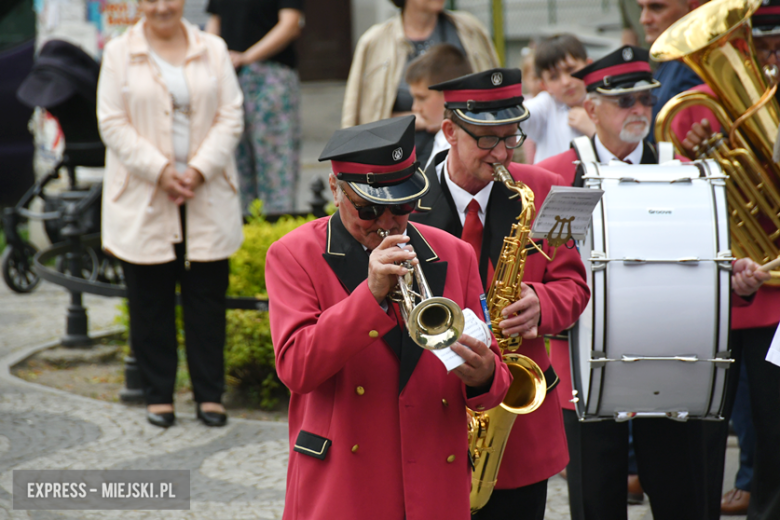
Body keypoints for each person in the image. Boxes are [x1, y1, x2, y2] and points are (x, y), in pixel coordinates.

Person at [536, 45, 770, 520]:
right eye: (625, 102)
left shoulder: (686, 173)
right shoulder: (559, 177)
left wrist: (737, 283)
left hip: (675, 355)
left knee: (683, 494)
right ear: (591, 109)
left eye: (645, 99)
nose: (639, 110)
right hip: (585, 364)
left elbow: (705, 270)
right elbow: (541, 268)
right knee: (596, 498)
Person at [265, 115, 512, 520]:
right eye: (369, 209)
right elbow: (296, 368)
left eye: (402, 206)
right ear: (335, 189)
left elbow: (496, 381)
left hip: (434, 480)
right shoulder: (294, 255)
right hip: (345, 483)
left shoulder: (454, 253)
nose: (387, 222)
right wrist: (369, 296)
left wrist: (485, 375)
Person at [410, 68, 591, 520]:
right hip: (433, 412)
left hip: (518, 424)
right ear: (449, 131)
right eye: (487, 140)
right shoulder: (407, 202)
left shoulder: (547, 190)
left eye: (512, 138)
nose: (503, 154)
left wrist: (541, 303)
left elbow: (575, 286)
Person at [97, 0, 244, 428]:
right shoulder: (118, 52)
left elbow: (231, 115)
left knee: (206, 300)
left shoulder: (213, 48)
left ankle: (209, 395)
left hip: (207, 189)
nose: (162, 7)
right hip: (144, 192)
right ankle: (158, 393)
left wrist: (198, 169)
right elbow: (111, 122)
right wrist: (159, 170)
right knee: (149, 299)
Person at [672, 4, 780, 517]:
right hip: (713, 294)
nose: (768, 57)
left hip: (776, 299)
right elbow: (678, 205)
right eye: (761, 47)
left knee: (776, 421)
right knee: (701, 426)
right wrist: (698, 161)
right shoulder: (695, 108)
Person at [205, 0, 303, 215]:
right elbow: (215, 23)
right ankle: (245, 229)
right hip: (228, 75)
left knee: (276, 166)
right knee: (234, 163)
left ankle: (278, 231)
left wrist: (247, 57)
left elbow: (290, 24)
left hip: (272, 76)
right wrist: (214, 60)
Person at [341, 0, 498, 131]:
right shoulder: (374, 41)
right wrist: (413, 120)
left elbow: (500, 95)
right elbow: (354, 113)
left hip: (465, 155)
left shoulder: (470, 29)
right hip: (398, 158)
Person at [519, 33, 595, 163]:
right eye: (554, 77)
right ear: (544, 85)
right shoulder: (546, 106)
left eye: (570, 70)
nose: (565, 81)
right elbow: (519, 115)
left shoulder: (607, 101)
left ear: (589, 65)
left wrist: (594, 131)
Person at [635, 0, 703, 144]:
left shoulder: (691, 67)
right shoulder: (671, 61)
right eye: (641, 8)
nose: (644, 19)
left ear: (692, 7)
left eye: (657, 7)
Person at [405, 43, 472, 169]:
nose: (415, 108)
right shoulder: (442, 137)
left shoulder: (463, 148)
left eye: (422, 98)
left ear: (450, 95)